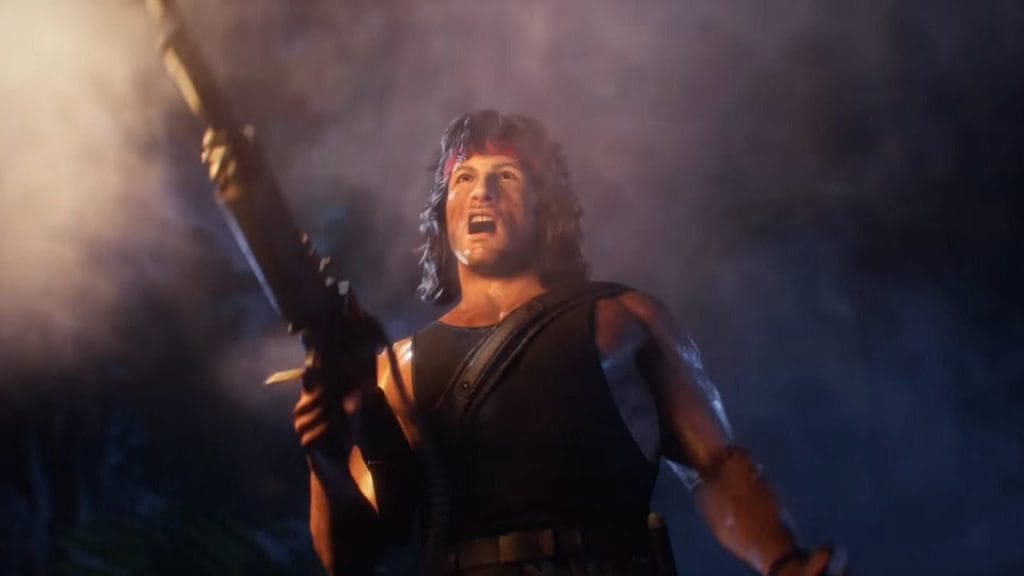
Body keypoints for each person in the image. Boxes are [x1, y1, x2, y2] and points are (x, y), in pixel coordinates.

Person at [292, 110, 842, 576]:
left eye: (506, 175)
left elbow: (719, 467)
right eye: (464, 178)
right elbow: (349, 559)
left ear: (545, 206)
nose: (482, 191)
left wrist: (781, 560)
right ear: (444, 212)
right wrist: (326, 460)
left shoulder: (623, 320)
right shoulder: (395, 370)